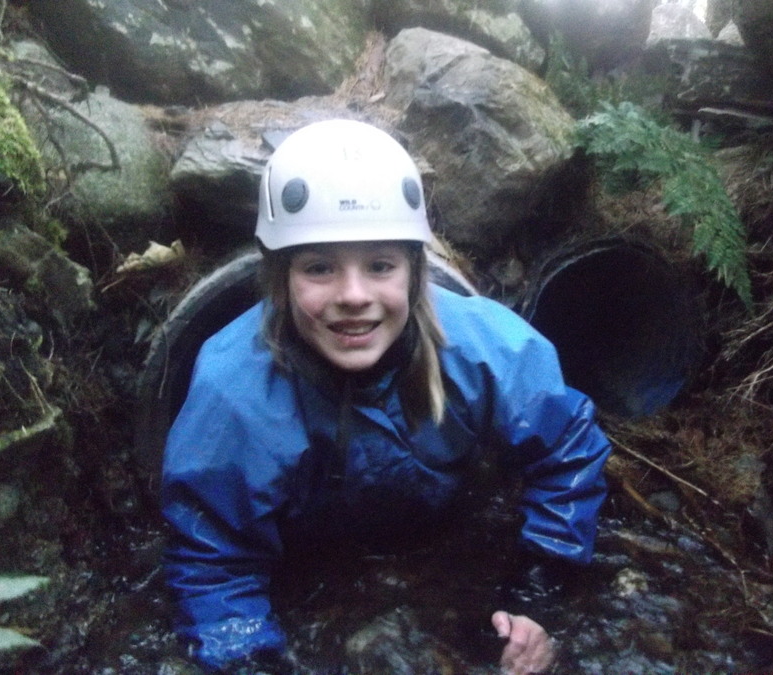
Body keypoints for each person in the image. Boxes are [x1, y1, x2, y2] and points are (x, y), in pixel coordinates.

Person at [161, 119, 612, 674]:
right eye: (319, 267)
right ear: (280, 278)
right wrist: (249, 657)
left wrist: (538, 595)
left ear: (415, 271)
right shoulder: (235, 394)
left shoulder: (485, 350)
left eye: (380, 265)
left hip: (442, 527)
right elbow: (212, 558)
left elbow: (568, 447)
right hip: (310, 555)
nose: (354, 296)